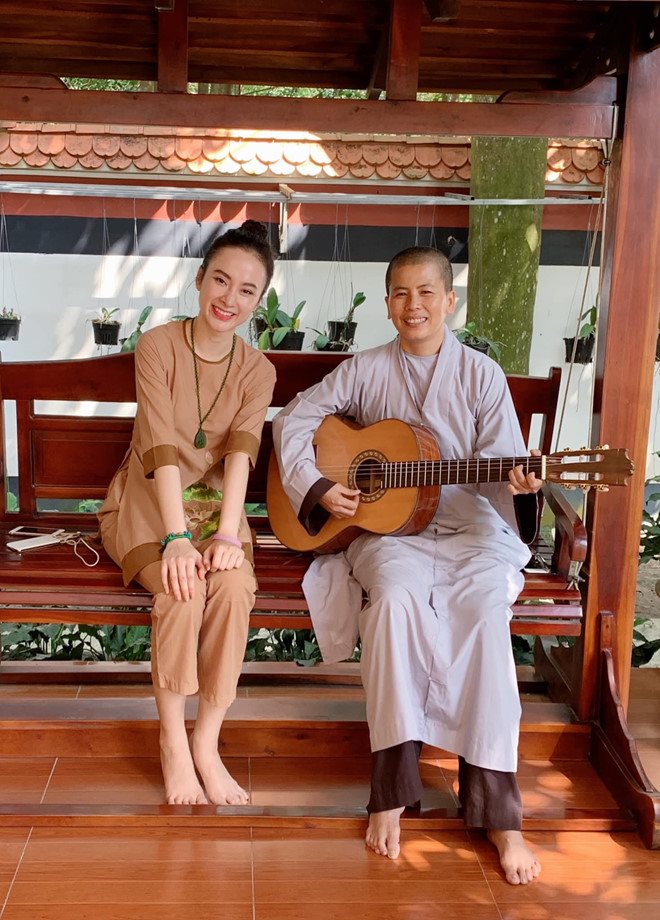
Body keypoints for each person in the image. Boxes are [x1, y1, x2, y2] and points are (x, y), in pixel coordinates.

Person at [272, 246, 543, 885]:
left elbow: (501, 469)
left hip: (473, 531)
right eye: (400, 293)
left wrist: (520, 483)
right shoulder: (364, 369)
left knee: (484, 615)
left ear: (450, 300)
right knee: (392, 605)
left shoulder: (481, 376)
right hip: (391, 534)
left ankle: (499, 812)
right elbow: (295, 418)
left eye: (426, 293)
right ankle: (391, 791)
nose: (413, 305)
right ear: (388, 303)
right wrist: (318, 487)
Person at [98, 220, 276, 806]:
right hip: (149, 506)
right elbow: (161, 449)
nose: (230, 299)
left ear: (259, 299)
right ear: (200, 280)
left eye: (247, 290)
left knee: (232, 587)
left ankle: (207, 741)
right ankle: (173, 742)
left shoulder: (258, 370)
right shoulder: (157, 347)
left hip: (218, 515)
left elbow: (242, 457)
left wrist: (227, 535)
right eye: (220, 280)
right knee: (183, 589)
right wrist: (176, 537)